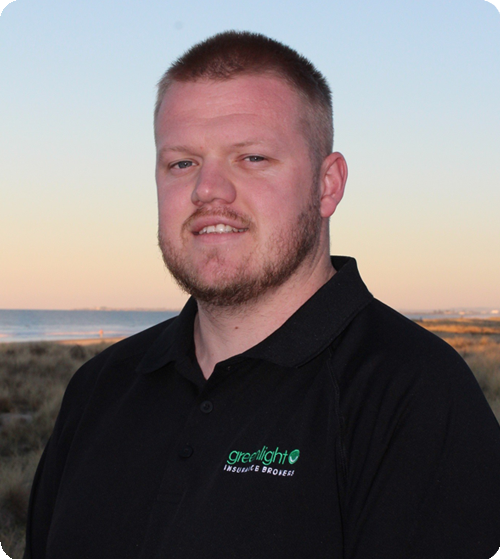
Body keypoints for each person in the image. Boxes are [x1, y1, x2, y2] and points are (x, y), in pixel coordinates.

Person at [24, 31, 500, 559]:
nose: (207, 189)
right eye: (182, 163)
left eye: (251, 158)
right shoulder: (99, 389)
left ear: (327, 185)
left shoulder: (415, 396)